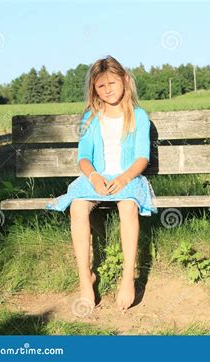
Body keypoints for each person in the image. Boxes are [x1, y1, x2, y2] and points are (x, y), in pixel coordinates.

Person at [47, 55, 157, 311]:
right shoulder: (90, 117)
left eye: (112, 83)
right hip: (96, 177)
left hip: (128, 176)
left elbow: (143, 157)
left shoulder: (138, 116)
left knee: (128, 205)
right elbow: (84, 157)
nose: (108, 90)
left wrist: (124, 178)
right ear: (94, 89)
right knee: (77, 207)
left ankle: (128, 277)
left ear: (125, 81)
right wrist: (94, 177)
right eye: (101, 86)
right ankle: (86, 279)